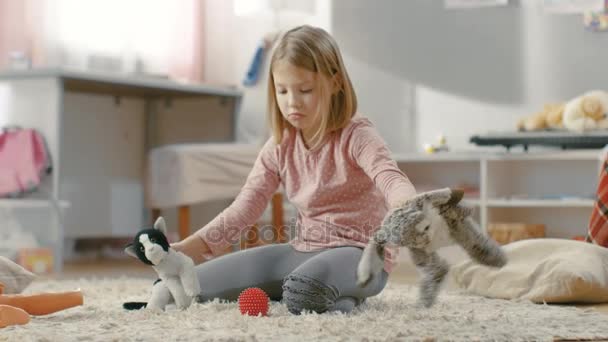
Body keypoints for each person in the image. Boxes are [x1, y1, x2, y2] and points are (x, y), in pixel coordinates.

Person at [170, 25, 416, 314]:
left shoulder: (357, 135)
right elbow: (245, 207)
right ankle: (332, 297)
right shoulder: (279, 145)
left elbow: (388, 176)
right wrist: (190, 247)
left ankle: (324, 292)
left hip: (361, 255)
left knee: (302, 291)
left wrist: (405, 204)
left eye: (305, 90)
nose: (292, 102)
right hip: (303, 251)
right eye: (282, 90)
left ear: (335, 83)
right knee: (184, 286)